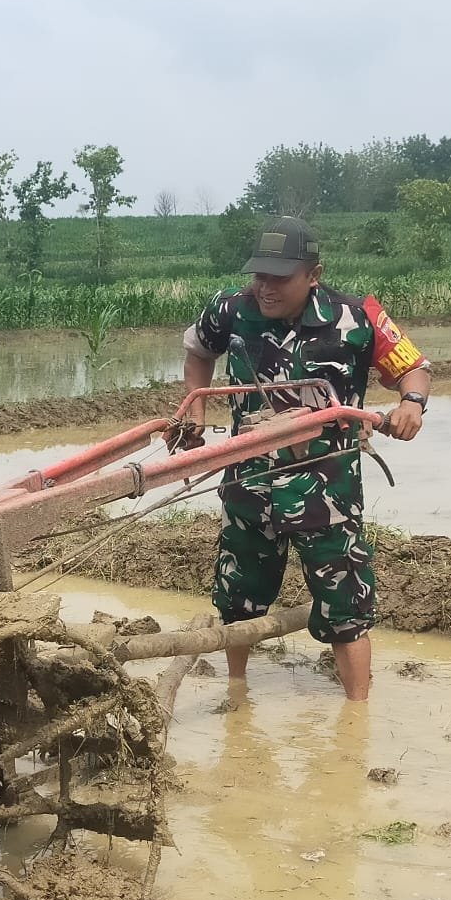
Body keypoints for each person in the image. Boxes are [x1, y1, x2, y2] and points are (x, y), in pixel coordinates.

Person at [181, 216, 431, 703]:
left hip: (327, 492)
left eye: (279, 278)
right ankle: (237, 693)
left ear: (313, 275)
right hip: (249, 484)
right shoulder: (231, 309)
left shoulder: (357, 317)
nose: (265, 287)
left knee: (347, 605)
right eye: (259, 275)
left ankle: (357, 712)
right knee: (238, 596)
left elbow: (413, 369)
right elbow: (197, 351)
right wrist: (196, 404)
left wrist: (411, 404)